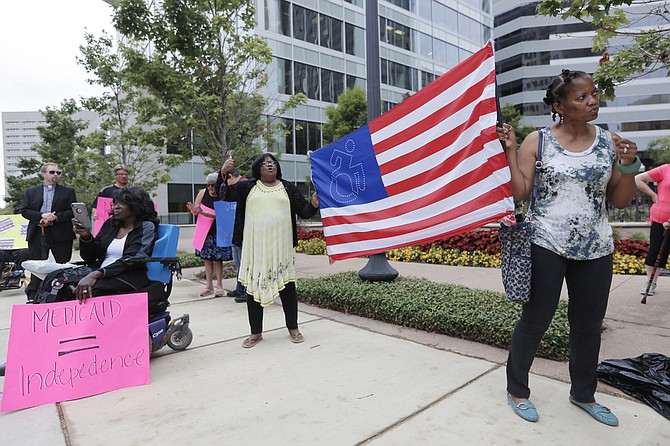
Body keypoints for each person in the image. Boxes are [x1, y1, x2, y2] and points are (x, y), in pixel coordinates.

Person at [497, 69, 639, 426]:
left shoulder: (610, 141)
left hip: (596, 246)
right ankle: (517, 390)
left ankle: (583, 394)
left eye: (593, 94)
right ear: (559, 106)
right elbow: (520, 193)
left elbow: (620, 201)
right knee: (536, 320)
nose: (592, 101)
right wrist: (512, 151)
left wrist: (628, 165)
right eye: (582, 97)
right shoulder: (538, 141)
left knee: (588, 325)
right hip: (546, 241)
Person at [218, 153, 319, 348]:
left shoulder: (288, 187)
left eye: (272, 163)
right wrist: (223, 173)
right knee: (254, 288)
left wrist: (313, 204)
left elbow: (304, 211)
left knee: (287, 287)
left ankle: (293, 328)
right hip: (256, 247)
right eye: (265, 163)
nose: (270, 165)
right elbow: (225, 195)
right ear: (258, 168)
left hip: (281, 248)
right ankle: (256, 332)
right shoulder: (247, 187)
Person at [72, 186, 159, 302]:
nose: (116, 206)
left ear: (135, 206)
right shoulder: (111, 224)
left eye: (122, 203)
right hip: (102, 272)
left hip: (129, 276)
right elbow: (91, 256)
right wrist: (86, 237)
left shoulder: (146, 227)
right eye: (115, 203)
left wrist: (96, 274)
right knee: (58, 281)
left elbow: (133, 259)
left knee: (87, 289)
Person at [18, 162, 77, 301]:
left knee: (63, 265)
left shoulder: (67, 192)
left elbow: (73, 211)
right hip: (38, 233)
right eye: (52, 172)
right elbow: (24, 210)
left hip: (61, 233)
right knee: (37, 265)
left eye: (58, 172)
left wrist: (56, 217)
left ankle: (65, 293)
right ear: (43, 174)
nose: (56, 174)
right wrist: (41, 216)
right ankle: (33, 296)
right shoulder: (31, 192)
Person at [186, 173, 231, 297]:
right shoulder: (202, 193)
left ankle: (220, 286)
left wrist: (207, 214)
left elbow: (224, 215)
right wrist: (193, 210)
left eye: (213, 185)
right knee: (207, 259)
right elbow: (196, 210)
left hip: (218, 231)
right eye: (209, 185)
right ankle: (209, 286)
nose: (211, 187)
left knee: (218, 259)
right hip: (204, 231)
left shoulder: (223, 194)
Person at [635, 165, 670, 295]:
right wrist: (653, 195)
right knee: (656, 251)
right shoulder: (666, 169)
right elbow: (638, 179)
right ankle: (651, 282)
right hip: (660, 219)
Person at [224, 168, 248, 302]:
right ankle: (240, 288)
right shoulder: (239, 187)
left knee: (243, 262)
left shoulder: (244, 186)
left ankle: (245, 290)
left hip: (243, 231)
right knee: (238, 262)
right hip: (237, 230)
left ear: (231, 177)